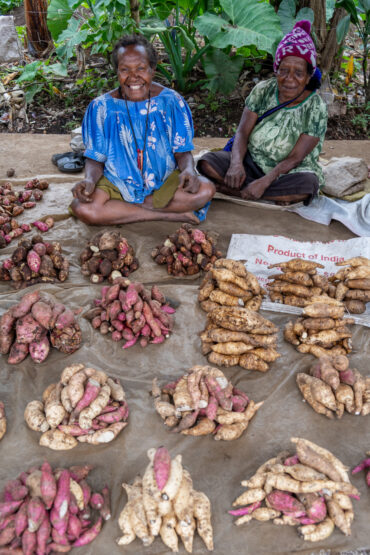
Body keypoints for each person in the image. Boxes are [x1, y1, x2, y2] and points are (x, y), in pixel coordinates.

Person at [70, 35, 215, 225]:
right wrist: (89, 180)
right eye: (125, 70)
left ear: (152, 70)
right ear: (117, 72)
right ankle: (166, 214)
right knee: (82, 208)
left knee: (206, 189)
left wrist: (188, 170)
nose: (133, 77)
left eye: (140, 68)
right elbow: (95, 158)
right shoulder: (101, 108)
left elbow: (182, 151)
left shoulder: (171, 102)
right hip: (117, 182)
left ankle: (124, 210)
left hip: (163, 180)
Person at [197, 20, 327, 206]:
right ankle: (260, 192)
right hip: (252, 162)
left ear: (308, 77)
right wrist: (236, 164)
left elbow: (296, 158)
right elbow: (242, 132)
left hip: (287, 172)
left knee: (307, 185)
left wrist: (266, 182)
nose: (289, 79)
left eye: (298, 73)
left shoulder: (316, 108)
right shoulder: (263, 90)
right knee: (206, 162)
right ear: (276, 70)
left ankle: (242, 191)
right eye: (284, 70)